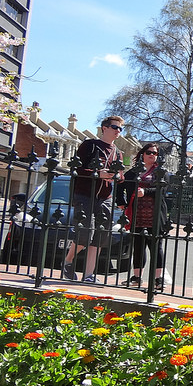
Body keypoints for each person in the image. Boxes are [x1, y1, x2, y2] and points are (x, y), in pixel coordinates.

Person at [61, 115, 125, 283]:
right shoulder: (90, 145)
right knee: (85, 233)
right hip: (84, 194)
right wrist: (97, 174)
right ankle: (67, 261)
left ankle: (89, 275)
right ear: (104, 128)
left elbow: (121, 175)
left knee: (101, 236)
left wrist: (116, 176)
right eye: (115, 127)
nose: (118, 131)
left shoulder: (117, 152)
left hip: (105, 197)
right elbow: (75, 168)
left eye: (120, 128)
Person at [116, 143, 167, 290]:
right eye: (150, 152)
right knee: (138, 246)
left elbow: (162, 191)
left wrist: (146, 192)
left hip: (155, 215)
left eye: (155, 153)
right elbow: (120, 185)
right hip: (137, 214)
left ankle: (158, 279)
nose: (152, 155)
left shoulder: (161, 172)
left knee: (156, 247)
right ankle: (136, 278)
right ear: (142, 154)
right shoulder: (133, 172)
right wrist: (121, 202)